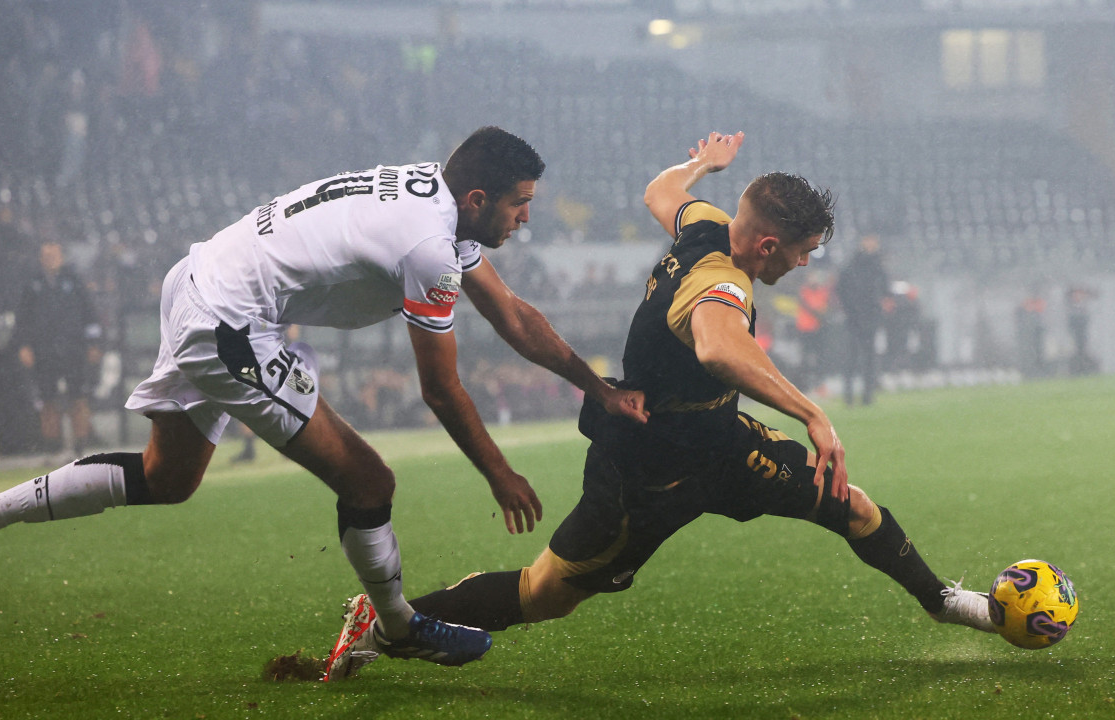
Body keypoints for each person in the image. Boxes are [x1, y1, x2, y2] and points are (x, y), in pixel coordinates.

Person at [0, 127, 648, 669]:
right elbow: (440, 388)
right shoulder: (427, 241)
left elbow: (513, 316)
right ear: (479, 197)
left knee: (167, 479)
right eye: (520, 204)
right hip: (228, 319)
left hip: (198, 279)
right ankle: (400, 627)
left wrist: (597, 387)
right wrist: (498, 472)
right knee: (369, 480)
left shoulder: (444, 209)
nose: (526, 217)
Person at [321, 131, 995, 681]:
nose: (806, 263)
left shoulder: (706, 223)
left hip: (720, 442)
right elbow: (718, 350)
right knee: (545, 595)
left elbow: (660, 190)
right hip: (645, 472)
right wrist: (814, 415)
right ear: (768, 245)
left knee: (849, 503)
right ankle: (380, 624)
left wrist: (701, 164)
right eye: (803, 252)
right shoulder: (719, 282)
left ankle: (942, 601)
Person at [14, 241, 103, 454]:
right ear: (40, 258)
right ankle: (52, 447)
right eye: (46, 255)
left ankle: (80, 445)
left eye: (54, 255)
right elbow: (23, 319)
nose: (50, 259)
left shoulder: (74, 281)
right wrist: (24, 345)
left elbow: (90, 313)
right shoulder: (32, 285)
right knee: (48, 400)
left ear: (61, 257)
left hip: (74, 348)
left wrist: (94, 344)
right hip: (44, 350)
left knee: (78, 398)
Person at [835, 234, 888, 405]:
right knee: (853, 357)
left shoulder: (876, 266)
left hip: (868, 317)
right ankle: (850, 396)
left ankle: (867, 395)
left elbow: (884, 289)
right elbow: (842, 289)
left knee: (867, 358)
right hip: (856, 318)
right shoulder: (856, 266)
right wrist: (852, 309)